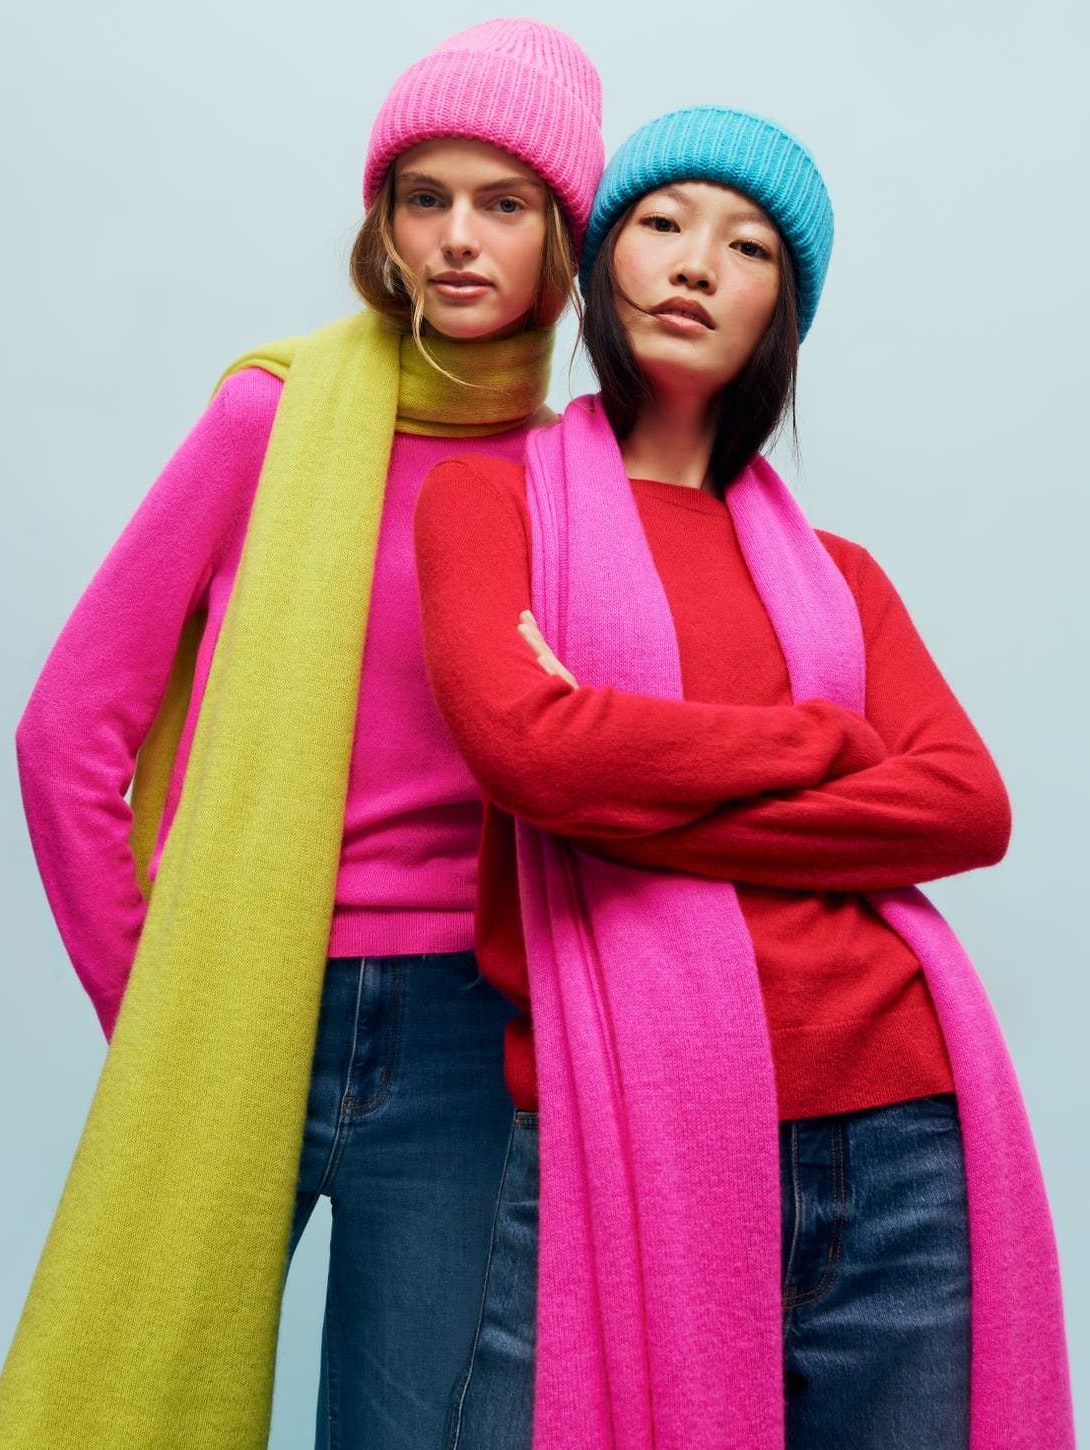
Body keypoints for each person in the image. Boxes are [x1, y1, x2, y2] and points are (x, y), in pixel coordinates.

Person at [0, 22, 603, 1450]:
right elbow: (67, 728)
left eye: (502, 204)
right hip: (248, 992)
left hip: (464, 1033)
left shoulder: (582, 478)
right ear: (382, 221)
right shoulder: (274, 416)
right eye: (423, 197)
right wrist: (159, 1000)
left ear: (562, 242)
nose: (456, 238)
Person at [414, 108, 1073, 1449]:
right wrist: (822, 740)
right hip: (623, 1122)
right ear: (603, 266)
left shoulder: (840, 574)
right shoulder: (491, 509)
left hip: (900, 1131)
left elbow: (964, 806)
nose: (697, 264)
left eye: (748, 246)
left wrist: (623, 766)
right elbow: (524, 750)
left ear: (783, 309)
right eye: (661, 225)